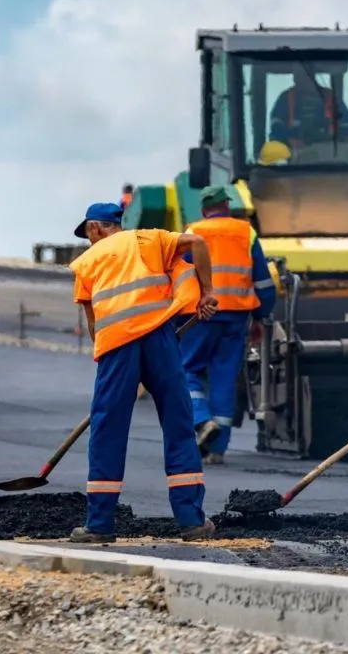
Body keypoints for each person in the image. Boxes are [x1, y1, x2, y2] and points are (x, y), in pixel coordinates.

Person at [67, 201, 220, 543]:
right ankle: (192, 521)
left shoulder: (87, 263)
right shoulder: (148, 239)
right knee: (179, 425)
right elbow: (197, 243)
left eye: (88, 234)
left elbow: (94, 327)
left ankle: (100, 525)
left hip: (117, 347)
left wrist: (116, 371)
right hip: (160, 339)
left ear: (95, 228)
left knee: (107, 430)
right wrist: (207, 291)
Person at [178, 185, 277, 465]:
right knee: (224, 379)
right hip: (236, 316)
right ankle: (218, 450)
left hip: (200, 315)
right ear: (227, 206)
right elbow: (264, 283)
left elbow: (180, 275)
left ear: (203, 209)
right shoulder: (246, 232)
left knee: (186, 370)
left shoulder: (192, 231)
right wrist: (261, 316)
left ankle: (201, 420)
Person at [268, 69, 348, 150]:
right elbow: (276, 128)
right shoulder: (286, 98)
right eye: (297, 76)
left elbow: (346, 123)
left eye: (304, 75)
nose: (298, 79)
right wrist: (288, 140)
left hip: (329, 154)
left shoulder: (330, 97)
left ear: (313, 77)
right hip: (294, 160)